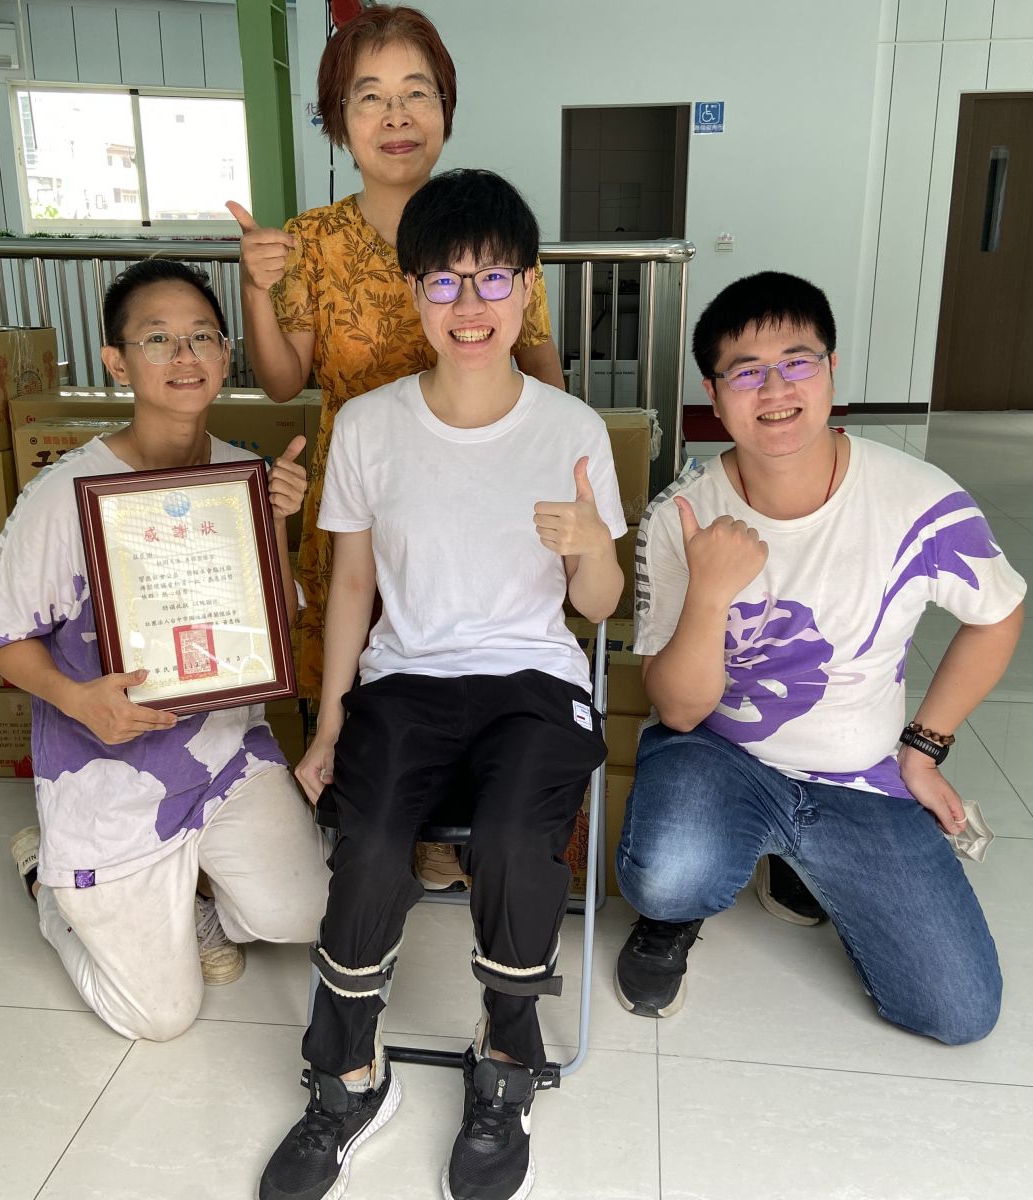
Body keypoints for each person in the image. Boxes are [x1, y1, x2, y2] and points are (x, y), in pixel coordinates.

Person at [257, 169, 624, 1200]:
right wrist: (328, 723)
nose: (470, 306)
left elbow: (596, 606)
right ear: (413, 290)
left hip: (532, 680)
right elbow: (352, 587)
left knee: (511, 840)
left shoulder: (570, 430)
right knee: (370, 842)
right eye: (445, 282)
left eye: (493, 280)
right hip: (407, 679)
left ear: (528, 288)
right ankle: (346, 1076)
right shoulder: (370, 425)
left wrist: (593, 543)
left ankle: (506, 1053)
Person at [612, 270, 1025, 1046]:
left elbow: (998, 616)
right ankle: (681, 912)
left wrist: (924, 749)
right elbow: (679, 709)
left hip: (860, 774)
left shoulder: (917, 500)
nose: (775, 390)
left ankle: (798, 862)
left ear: (832, 369)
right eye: (746, 372)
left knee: (958, 1010)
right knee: (669, 875)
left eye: (797, 362)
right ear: (714, 394)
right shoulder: (682, 515)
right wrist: (710, 593)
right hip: (719, 755)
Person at [231, 6, 567, 894]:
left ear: (446, 109)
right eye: (370, 97)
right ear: (339, 121)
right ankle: (373, 825)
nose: (396, 116)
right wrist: (257, 291)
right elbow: (282, 380)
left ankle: (451, 827)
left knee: (461, 658)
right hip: (362, 498)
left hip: (475, 500)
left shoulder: (488, 235)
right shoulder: (312, 242)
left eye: (417, 92)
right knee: (361, 664)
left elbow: (546, 379)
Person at [0, 260, 330, 1042]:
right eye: (158, 339)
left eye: (202, 336)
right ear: (116, 362)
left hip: (225, 755)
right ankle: (50, 888)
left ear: (226, 352)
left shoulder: (243, 475)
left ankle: (189, 889)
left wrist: (275, 525)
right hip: (109, 771)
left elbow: (271, 625)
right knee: (159, 1017)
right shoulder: (63, 495)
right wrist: (76, 699)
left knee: (305, 915)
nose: (184, 355)